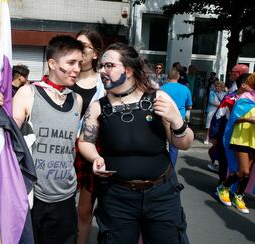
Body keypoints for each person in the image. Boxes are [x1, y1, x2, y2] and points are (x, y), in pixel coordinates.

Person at [78, 43, 193, 243]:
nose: (103, 71)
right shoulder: (98, 107)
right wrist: (95, 157)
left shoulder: (158, 98)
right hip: (116, 198)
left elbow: (184, 144)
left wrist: (176, 120)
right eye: (102, 66)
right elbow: (85, 141)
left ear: (129, 70)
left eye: (110, 66)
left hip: (161, 196)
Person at [0, 35, 84, 244]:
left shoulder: (76, 100)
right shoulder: (28, 93)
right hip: (33, 196)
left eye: (80, 63)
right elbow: (4, 137)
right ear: (52, 63)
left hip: (66, 195)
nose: (77, 69)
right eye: (71, 62)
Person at [71, 29, 105, 244]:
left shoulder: (106, 83)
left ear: (95, 54)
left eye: (84, 46)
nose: (79, 51)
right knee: (61, 207)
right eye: (76, 45)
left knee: (85, 211)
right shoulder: (64, 79)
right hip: (64, 150)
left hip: (94, 151)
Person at [217, 73, 255, 214]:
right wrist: (250, 120)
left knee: (248, 173)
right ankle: (224, 187)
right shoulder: (245, 98)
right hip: (241, 138)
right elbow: (235, 119)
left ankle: (239, 196)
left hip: (254, 140)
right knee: (243, 170)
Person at [208, 73, 251, 187]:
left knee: (243, 165)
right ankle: (222, 183)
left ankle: (236, 190)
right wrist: (214, 136)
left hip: (245, 137)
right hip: (227, 133)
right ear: (243, 85)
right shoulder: (230, 99)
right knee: (225, 159)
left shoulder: (252, 99)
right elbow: (218, 117)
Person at [161, 67, 193, 166]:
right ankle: (171, 169)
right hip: (178, 120)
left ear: (168, 76)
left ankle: (161, 167)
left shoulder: (161, 88)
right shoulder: (185, 89)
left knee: (161, 143)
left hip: (163, 118)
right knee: (174, 146)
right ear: (178, 76)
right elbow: (190, 106)